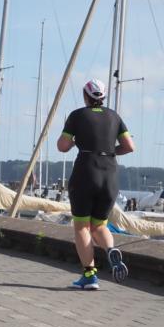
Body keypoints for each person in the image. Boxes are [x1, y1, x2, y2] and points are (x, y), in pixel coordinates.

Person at [56, 79, 135, 289]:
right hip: (110, 173)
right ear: (103, 97)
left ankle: (90, 275)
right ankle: (110, 249)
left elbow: (62, 146)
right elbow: (129, 146)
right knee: (99, 224)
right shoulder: (114, 116)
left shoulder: (77, 115)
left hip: (86, 171)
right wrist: (109, 150)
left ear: (85, 95)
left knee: (81, 225)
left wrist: (77, 141)